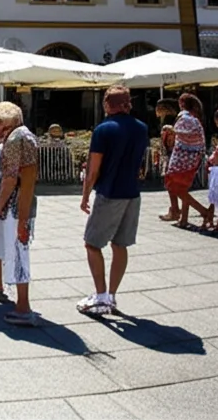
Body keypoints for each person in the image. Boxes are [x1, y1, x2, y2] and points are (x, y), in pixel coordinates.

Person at [77, 86, 149, 316]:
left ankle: (100, 296)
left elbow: (94, 169)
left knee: (92, 243)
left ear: (108, 104)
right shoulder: (141, 128)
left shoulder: (104, 129)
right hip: (132, 193)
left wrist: (85, 194)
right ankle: (112, 296)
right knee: (120, 245)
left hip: (110, 193)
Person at [0, 101, 39, 326]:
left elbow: (12, 180)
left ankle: (23, 307)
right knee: (6, 247)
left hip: (14, 208)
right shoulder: (22, 135)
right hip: (15, 206)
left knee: (17, 253)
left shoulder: (16, 139)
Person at [162, 93, 210, 228]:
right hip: (191, 158)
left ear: (181, 104)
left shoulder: (185, 117)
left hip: (183, 158)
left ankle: (203, 211)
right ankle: (183, 219)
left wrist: (171, 129)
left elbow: (183, 132)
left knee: (176, 188)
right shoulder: (193, 118)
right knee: (182, 188)